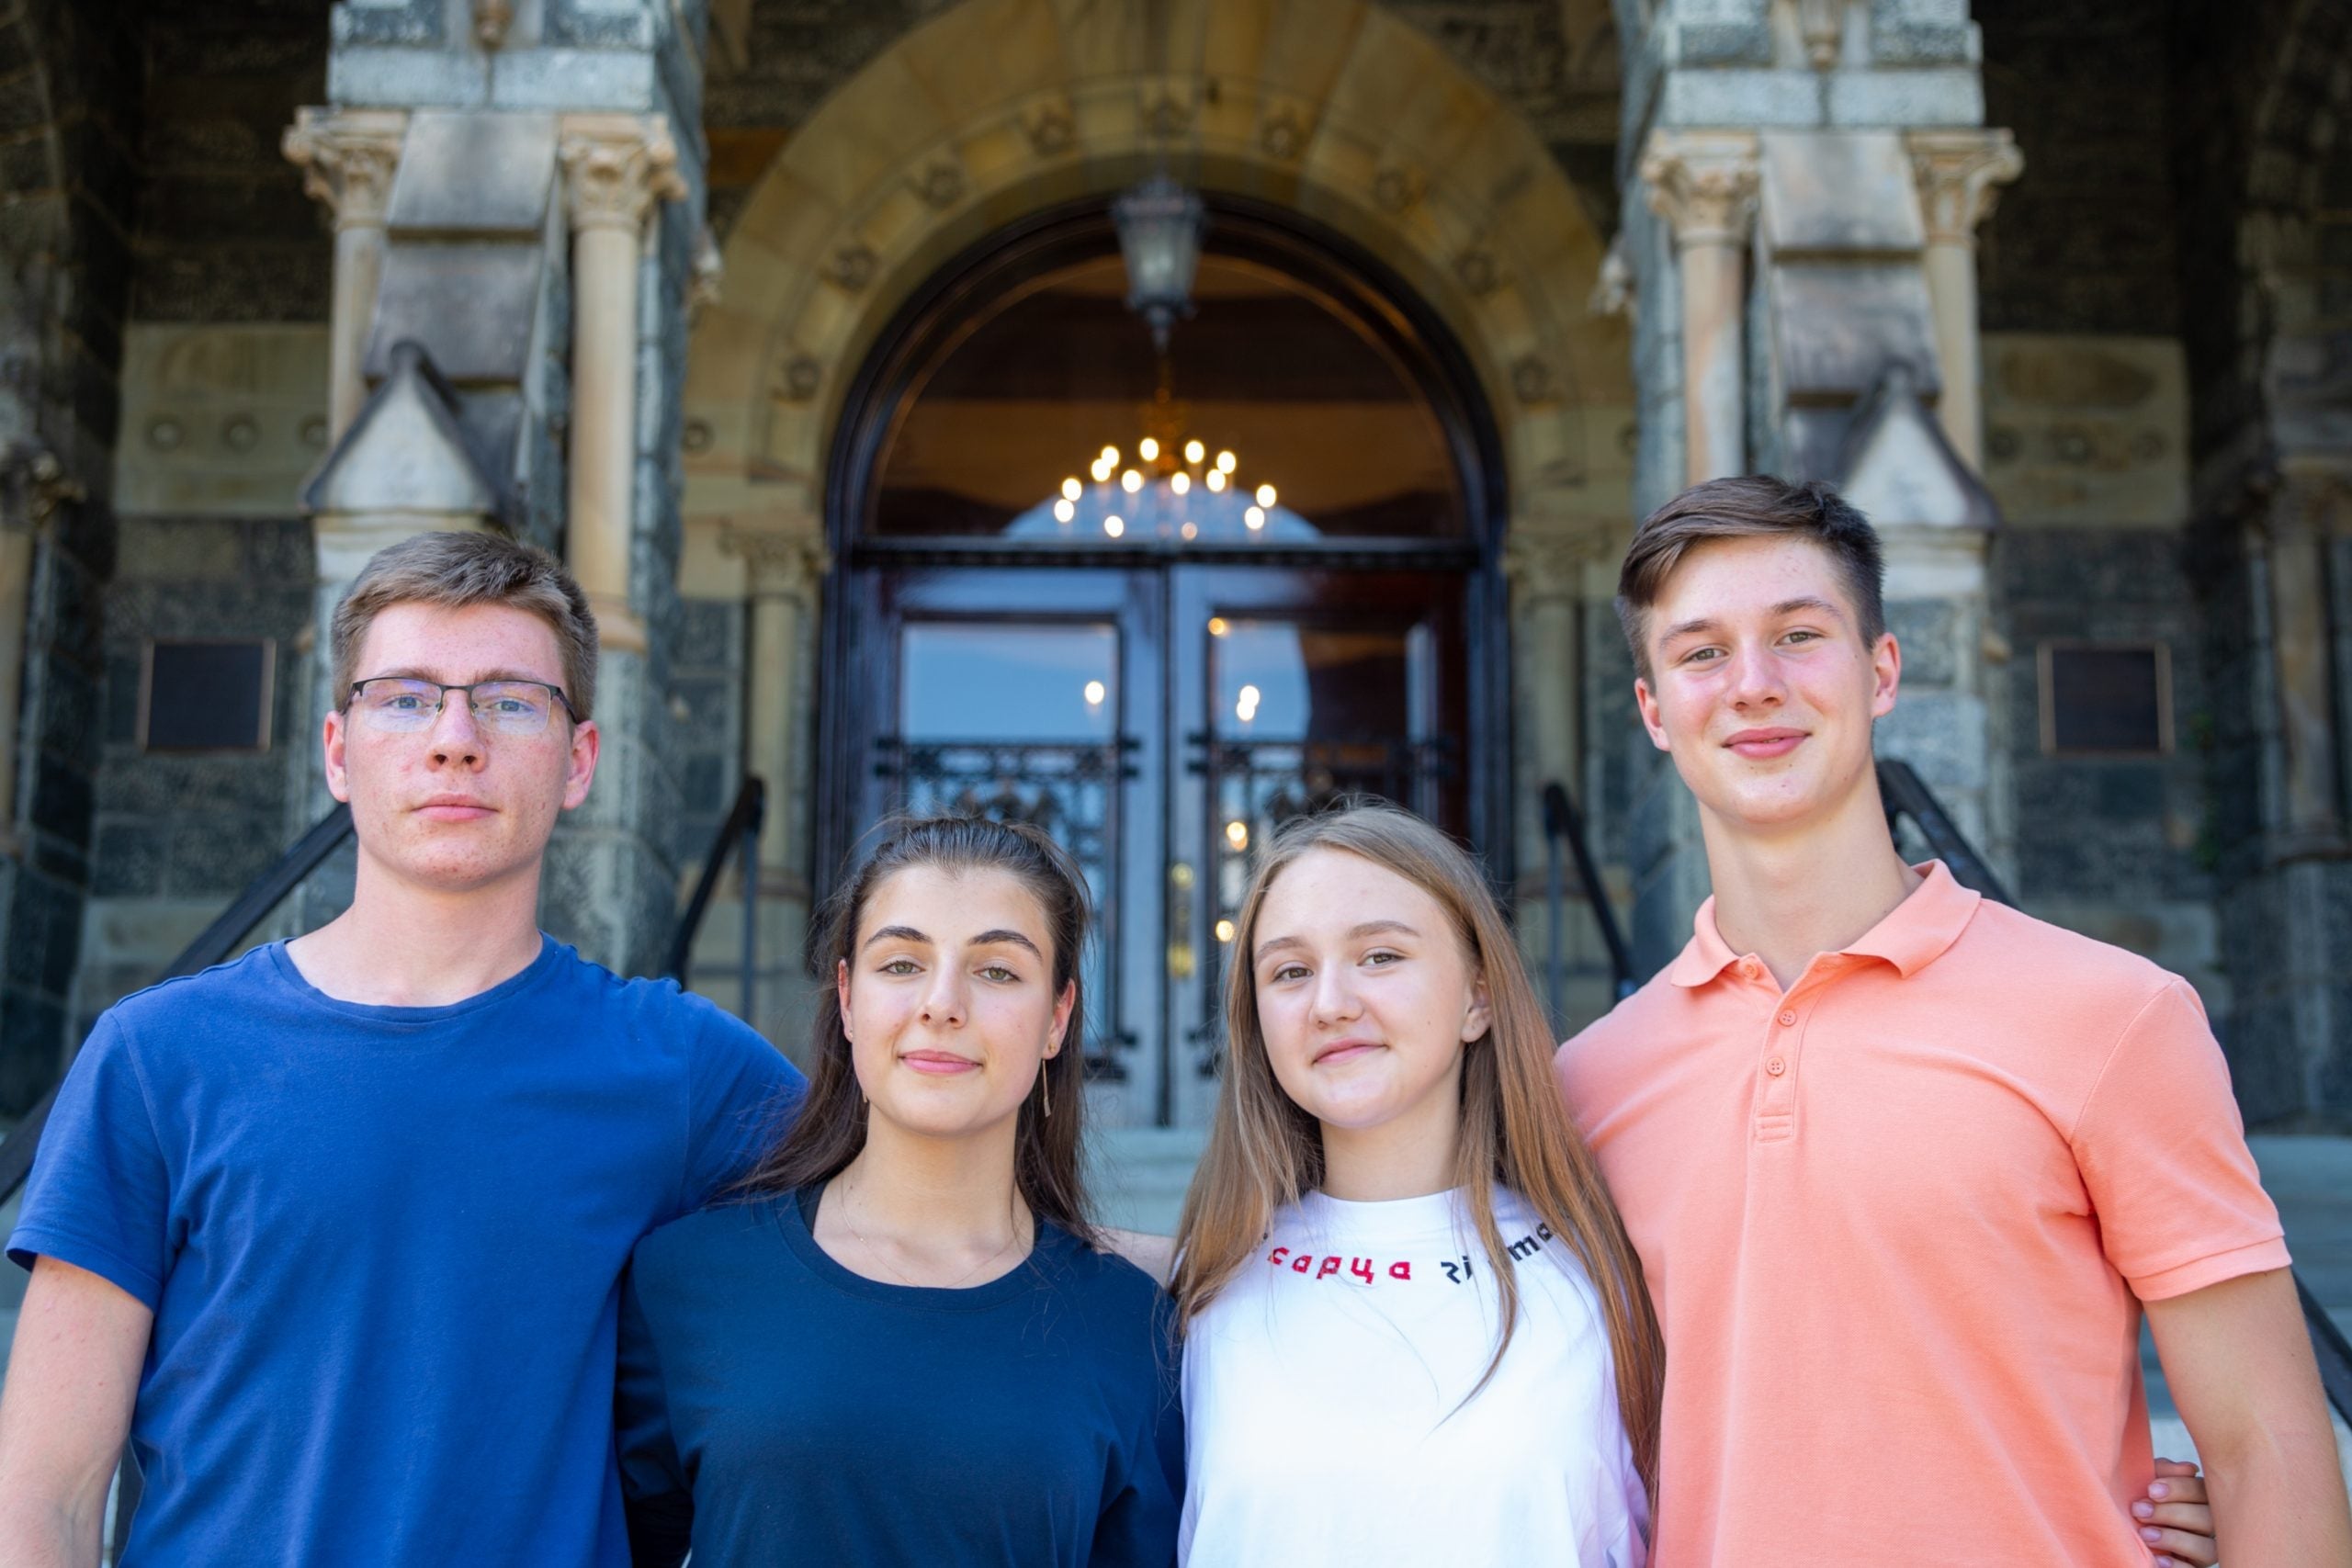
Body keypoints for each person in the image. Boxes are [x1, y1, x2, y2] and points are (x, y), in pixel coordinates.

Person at [1557, 474, 2352, 1567]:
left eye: (1799, 635)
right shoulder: (1586, 1086)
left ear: (1881, 671)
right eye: (1699, 653)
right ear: (1653, 709)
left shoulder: (2113, 1019)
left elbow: (2268, 1443)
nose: (1752, 685)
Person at [0, 533, 801, 1566]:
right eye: (406, 697)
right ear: (338, 750)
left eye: (512, 700)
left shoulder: (681, 1068)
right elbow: (45, 1498)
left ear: (579, 761)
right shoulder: (159, 1057)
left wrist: (1072, 1243)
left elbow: (917, 1205)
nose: (455, 739)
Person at [615, 815, 1182, 1567]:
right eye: (902, 963)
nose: (942, 1003)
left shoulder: (1130, 1327)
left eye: (998, 971)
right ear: (847, 997)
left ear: (1058, 1017)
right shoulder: (686, 1279)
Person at [1172, 803, 1662, 1567]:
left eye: (1380, 956)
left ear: (1478, 996)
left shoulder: (1601, 1274)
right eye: (1291, 971)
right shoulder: (1204, 1286)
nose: (1331, 1002)